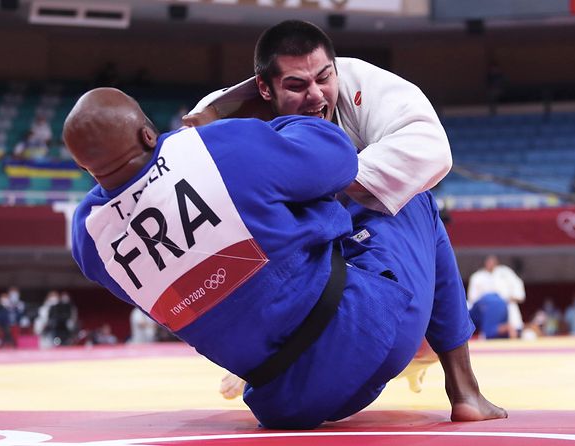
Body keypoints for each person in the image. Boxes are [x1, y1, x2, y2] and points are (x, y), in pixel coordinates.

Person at [65, 87, 505, 429]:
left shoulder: (88, 240)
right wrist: (266, 117)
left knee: (273, 257)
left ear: (87, 167)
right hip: (368, 337)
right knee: (410, 193)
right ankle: (466, 391)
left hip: (285, 403)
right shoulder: (211, 149)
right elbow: (338, 158)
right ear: (147, 133)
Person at [184, 19, 467, 401]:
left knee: (408, 191)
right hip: (322, 300)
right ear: (265, 89)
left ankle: (267, 361)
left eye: (324, 78)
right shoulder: (226, 127)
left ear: (337, 68)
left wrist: (323, 175)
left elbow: (434, 151)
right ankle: (464, 388)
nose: (316, 96)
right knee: (419, 205)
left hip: (279, 399)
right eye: (297, 86)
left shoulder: (365, 87)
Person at [467, 255, 526, 338]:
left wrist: (506, 300)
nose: (491, 264)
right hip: (486, 310)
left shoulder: (506, 272)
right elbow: (472, 299)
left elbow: (519, 293)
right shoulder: (477, 277)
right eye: (489, 261)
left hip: (508, 307)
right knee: (489, 333)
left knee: (513, 332)